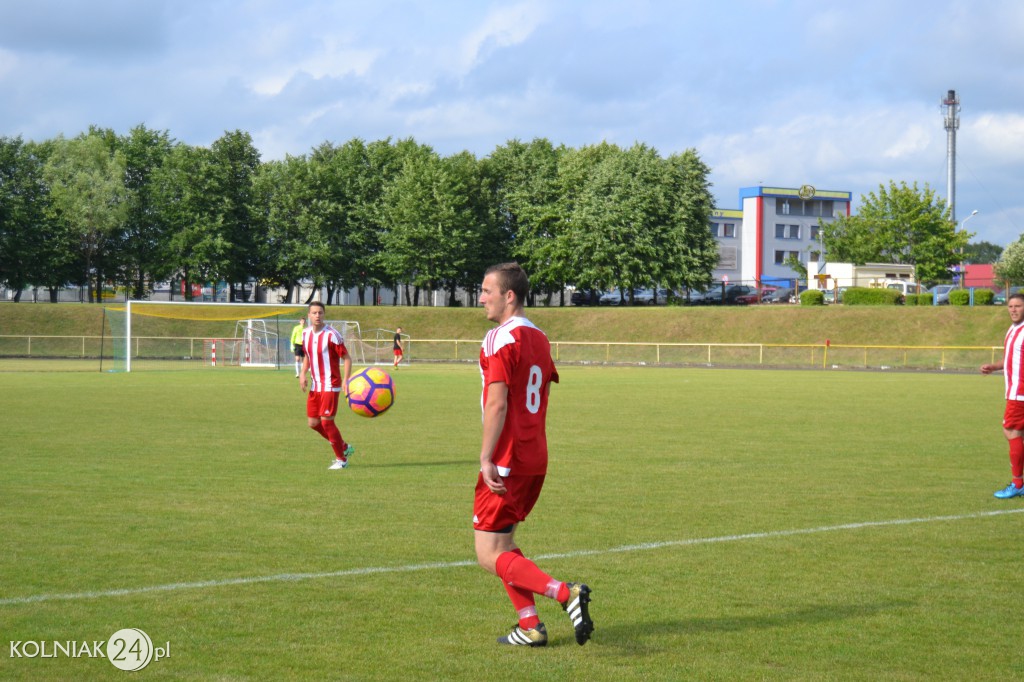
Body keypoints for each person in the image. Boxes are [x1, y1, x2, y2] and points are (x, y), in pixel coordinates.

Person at [473, 262, 594, 648]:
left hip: (506, 458)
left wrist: (486, 457)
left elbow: (497, 403)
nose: (481, 298)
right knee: (505, 546)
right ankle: (529, 627)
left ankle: (564, 593)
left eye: (487, 291)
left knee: (488, 553)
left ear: (509, 296)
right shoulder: (541, 338)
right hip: (534, 456)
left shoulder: (498, 338)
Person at [299, 301, 354, 470]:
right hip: (316, 386)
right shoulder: (306, 334)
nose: (317, 316)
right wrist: (303, 373)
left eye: (320, 313)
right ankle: (343, 446)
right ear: (309, 315)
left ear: (324, 314)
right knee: (313, 423)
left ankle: (341, 459)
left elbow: (347, 358)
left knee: (327, 422)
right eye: (314, 313)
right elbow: (307, 355)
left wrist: (346, 380)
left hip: (331, 384)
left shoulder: (332, 335)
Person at [981, 292, 1024, 498]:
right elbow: (1010, 360)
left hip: (1020, 394)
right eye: (1010, 306)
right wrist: (993, 366)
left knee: (1011, 431)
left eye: (1018, 306)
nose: (1014, 310)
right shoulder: (1012, 330)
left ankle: (1017, 484)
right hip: (1014, 392)